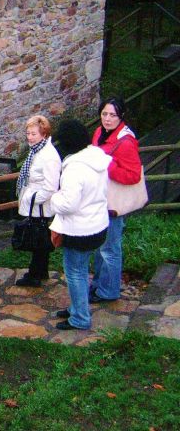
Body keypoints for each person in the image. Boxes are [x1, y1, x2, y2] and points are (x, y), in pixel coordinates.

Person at [47, 120, 110, 331]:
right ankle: (77, 307)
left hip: (80, 230)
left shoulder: (75, 169)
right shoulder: (97, 159)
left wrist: (52, 199)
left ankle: (80, 317)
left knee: (75, 273)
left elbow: (68, 203)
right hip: (98, 225)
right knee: (81, 272)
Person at [90, 97, 142, 304]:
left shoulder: (125, 141)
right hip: (100, 199)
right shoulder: (100, 132)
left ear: (121, 116)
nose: (108, 119)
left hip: (114, 203)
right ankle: (99, 285)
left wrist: (107, 165)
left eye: (112, 115)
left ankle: (109, 290)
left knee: (110, 248)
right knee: (101, 245)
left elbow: (133, 175)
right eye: (104, 114)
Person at [15, 115, 61, 288]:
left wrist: (32, 199)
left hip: (40, 205)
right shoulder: (37, 150)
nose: (30, 137)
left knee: (38, 240)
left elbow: (50, 187)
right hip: (36, 203)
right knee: (40, 239)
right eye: (28, 133)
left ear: (44, 133)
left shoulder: (48, 156)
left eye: (34, 133)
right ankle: (40, 271)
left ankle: (35, 275)